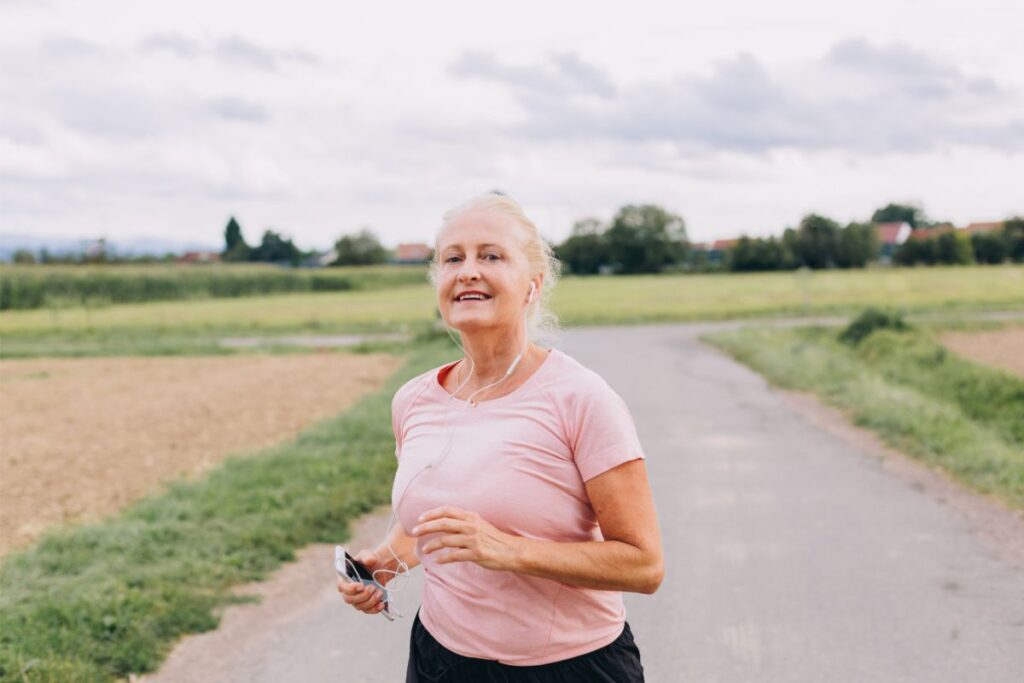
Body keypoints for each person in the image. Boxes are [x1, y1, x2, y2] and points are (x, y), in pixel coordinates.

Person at [338, 193, 663, 682]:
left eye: (490, 256)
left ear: (532, 286)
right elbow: (429, 526)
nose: (468, 270)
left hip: (570, 668)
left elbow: (644, 565)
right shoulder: (413, 400)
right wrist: (383, 565)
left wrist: (508, 550)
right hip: (440, 662)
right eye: (453, 258)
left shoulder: (581, 398)